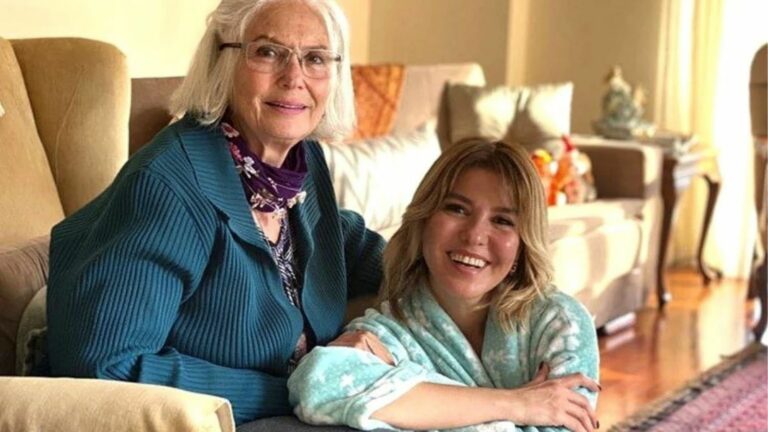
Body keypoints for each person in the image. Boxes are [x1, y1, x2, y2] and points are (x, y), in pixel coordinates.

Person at [45, 0, 384, 428]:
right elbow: (107, 367)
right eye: (268, 52)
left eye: (315, 58)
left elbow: (339, 237)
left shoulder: (299, 161)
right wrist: (303, 387)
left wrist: (443, 260)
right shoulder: (167, 184)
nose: (294, 77)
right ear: (222, 60)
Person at [289, 140, 601, 432]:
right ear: (424, 220)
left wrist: (412, 395)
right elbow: (317, 383)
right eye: (457, 209)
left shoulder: (559, 322)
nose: (474, 235)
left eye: (503, 221)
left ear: (522, 245)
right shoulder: (387, 331)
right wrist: (518, 404)